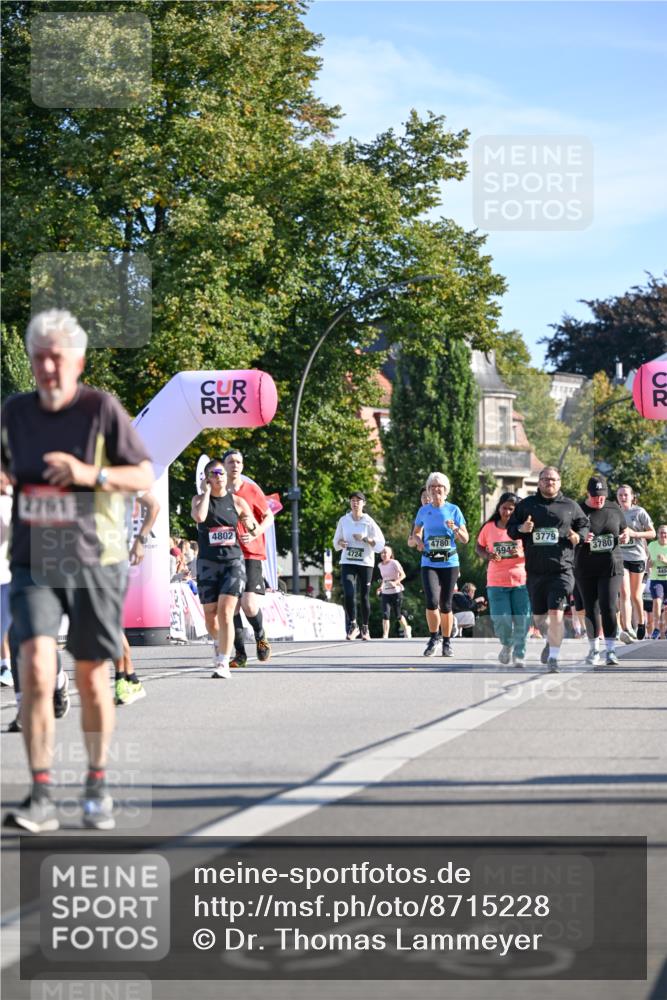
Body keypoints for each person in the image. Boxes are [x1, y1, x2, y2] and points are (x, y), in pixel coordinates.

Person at [1, 309, 154, 833]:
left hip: (95, 560)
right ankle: (41, 793)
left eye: (57, 358)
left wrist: (90, 474)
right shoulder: (14, 413)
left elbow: (143, 474)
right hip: (34, 560)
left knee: (91, 677)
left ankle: (96, 785)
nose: (47, 367)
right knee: (35, 669)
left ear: (78, 362)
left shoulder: (100, 409)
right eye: (39, 357)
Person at [507, 466, 589, 672]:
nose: (549, 482)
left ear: (559, 483)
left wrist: (578, 537)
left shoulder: (570, 506)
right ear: (539, 482)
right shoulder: (527, 505)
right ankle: (549, 639)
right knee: (539, 618)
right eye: (545, 479)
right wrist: (521, 529)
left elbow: (584, 525)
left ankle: (553, 657)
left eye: (553, 479)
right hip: (535, 571)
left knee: (556, 612)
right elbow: (511, 529)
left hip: (562, 569)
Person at [191, 459, 256, 678]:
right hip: (207, 563)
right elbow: (200, 517)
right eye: (214, 473)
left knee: (226, 611)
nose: (219, 476)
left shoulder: (237, 501)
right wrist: (206, 493)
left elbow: (252, 525)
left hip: (232, 562)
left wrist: (250, 528)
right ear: (207, 478)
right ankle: (219, 643)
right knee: (210, 616)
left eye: (221, 472)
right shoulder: (199, 500)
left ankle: (223, 662)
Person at [222, 449, 274, 667]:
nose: (235, 465)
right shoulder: (218, 492)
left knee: (249, 604)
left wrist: (256, 532)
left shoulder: (252, 490)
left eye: (238, 462)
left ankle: (261, 635)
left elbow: (269, 516)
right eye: (230, 461)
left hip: (251, 553)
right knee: (231, 607)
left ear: (242, 466)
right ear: (224, 466)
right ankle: (240, 654)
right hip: (227, 555)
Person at [410, 472, 469, 657]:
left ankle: (447, 641)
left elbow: (465, 539)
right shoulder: (423, 511)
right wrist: (419, 541)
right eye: (433, 486)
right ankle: (434, 637)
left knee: (446, 604)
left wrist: (455, 528)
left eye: (440, 486)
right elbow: (416, 532)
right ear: (428, 490)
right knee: (432, 601)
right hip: (429, 561)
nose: (436, 489)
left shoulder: (454, 510)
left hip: (449, 562)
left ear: (446, 490)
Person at [574, 476, 630, 667]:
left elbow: (625, 529)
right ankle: (594, 649)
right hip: (585, 566)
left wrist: (625, 535)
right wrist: (581, 537)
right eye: (595, 496)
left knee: (608, 605)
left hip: (611, 565)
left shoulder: (614, 508)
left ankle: (611, 650)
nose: (599, 500)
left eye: (602, 496)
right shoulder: (577, 510)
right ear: (587, 494)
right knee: (591, 608)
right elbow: (569, 535)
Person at [114, 491, 160, 706]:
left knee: (108, 623)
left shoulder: (123, 476)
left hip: (112, 559)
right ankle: (131, 678)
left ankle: (121, 680)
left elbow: (154, 505)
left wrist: (140, 540)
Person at [476, 491, 531, 667]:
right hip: (496, 582)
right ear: (499, 507)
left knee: (522, 620)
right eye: (504, 508)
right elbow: (479, 547)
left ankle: (519, 654)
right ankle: (507, 644)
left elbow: (535, 549)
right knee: (501, 620)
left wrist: (521, 552)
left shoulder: (524, 528)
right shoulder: (489, 527)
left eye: (511, 509)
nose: (507, 512)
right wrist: (488, 555)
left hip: (521, 580)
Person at [333, 492, 385, 640]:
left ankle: (365, 627)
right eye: (352, 501)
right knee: (349, 592)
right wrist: (341, 543)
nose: (355, 503)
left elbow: (380, 544)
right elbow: (336, 541)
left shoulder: (369, 522)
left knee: (364, 596)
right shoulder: (344, 520)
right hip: (348, 561)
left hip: (365, 562)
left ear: (364, 504)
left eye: (358, 501)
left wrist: (366, 539)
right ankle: (353, 625)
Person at [616, 484, 656, 641]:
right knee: (624, 592)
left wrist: (634, 534)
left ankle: (641, 623)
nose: (623, 497)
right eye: (620, 495)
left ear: (632, 497)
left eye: (626, 494)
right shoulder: (615, 512)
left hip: (638, 557)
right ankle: (627, 627)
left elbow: (652, 533)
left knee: (635, 595)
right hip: (621, 557)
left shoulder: (639, 512)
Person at [376, 545, 412, 639]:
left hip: (396, 592)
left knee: (398, 615)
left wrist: (395, 582)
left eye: (385, 552)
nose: (383, 554)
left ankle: (406, 628)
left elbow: (403, 575)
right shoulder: (380, 565)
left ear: (390, 554)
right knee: (385, 614)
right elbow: (384, 579)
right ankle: (385, 635)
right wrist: (381, 587)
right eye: (382, 553)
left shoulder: (394, 562)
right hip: (385, 593)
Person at [647, 525, 667, 639]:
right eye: (661, 533)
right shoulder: (652, 545)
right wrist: (649, 564)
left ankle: (666, 629)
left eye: (665, 533)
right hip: (656, 579)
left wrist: (665, 561)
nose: (664, 535)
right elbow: (647, 561)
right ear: (658, 534)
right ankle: (657, 628)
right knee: (657, 602)